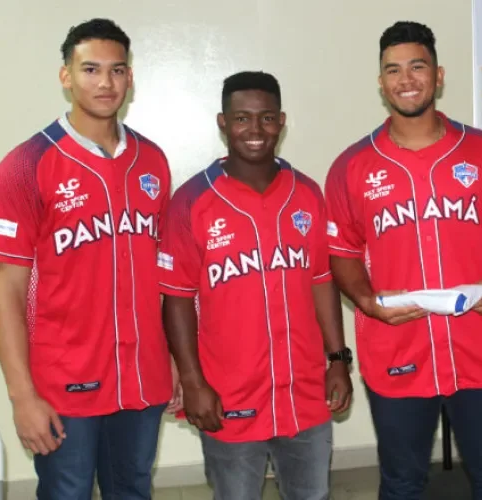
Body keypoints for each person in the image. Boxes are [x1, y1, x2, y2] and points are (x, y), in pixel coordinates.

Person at [324, 21, 482, 500]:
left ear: (438, 76)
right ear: (381, 83)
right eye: (392, 70)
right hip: (398, 346)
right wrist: (368, 301)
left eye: (417, 66)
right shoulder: (352, 166)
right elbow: (342, 253)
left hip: (480, 346)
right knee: (401, 483)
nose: (406, 79)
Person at [0, 18, 181, 500]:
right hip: (64, 382)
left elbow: (162, 273)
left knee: (132, 489)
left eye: (117, 71)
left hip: (141, 375)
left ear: (130, 78)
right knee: (67, 493)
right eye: (91, 69)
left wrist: (174, 359)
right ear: (65, 76)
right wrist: (21, 396)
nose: (105, 82)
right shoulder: (25, 165)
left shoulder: (153, 161)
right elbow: (2, 289)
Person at [158, 70, 353, 500]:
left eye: (266, 118)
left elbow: (322, 280)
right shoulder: (191, 201)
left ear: (281, 122)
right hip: (229, 395)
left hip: (303, 392)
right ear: (222, 122)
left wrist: (338, 359)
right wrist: (192, 382)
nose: (255, 130)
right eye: (242, 118)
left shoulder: (306, 193)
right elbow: (176, 298)